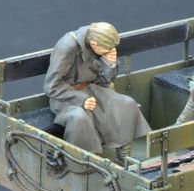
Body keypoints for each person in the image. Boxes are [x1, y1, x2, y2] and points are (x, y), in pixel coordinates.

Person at [43, 22, 150, 162]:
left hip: (91, 88)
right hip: (66, 96)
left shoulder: (96, 44)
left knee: (126, 103)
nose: (109, 52)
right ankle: (89, 161)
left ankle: (124, 157)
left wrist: (109, 64)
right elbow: (51, 86)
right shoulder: (67, 48)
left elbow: (106, 80)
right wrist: (81, 99)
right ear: (94, 44)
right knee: (80, 118)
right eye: (106, 50)